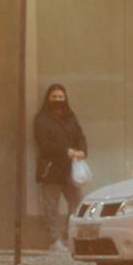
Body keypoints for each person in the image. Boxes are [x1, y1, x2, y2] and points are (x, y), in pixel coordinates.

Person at [34, 83, 88, 252]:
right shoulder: (41, 119)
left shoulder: (71, 117)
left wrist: (82, 151)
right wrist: (67, 151)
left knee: (77, 202)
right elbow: (43, 144)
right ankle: (54, 241)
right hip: (51, 169)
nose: (58, 100)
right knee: (51, 207)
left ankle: (68, 237)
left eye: (60, 97)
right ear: (48, 99)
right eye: (54, 97)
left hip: (70, 169)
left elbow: (80, 136)